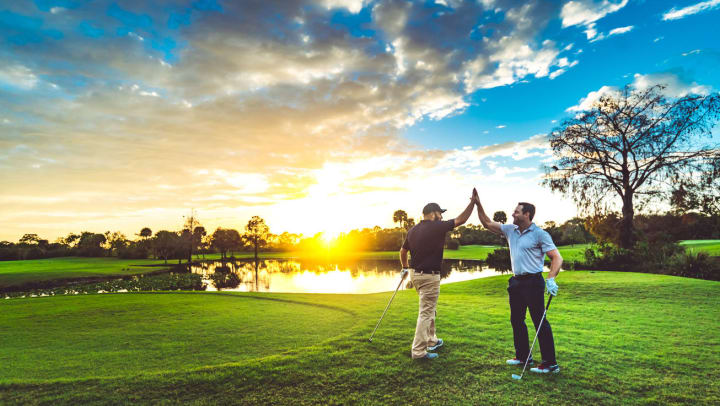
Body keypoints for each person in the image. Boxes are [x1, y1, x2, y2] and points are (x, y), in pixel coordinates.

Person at [472, 189, 562, 373]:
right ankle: (523, 357)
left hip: (533, 282)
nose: (513, 213)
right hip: (516, 282)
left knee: (539, 321)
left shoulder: (540, 234)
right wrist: (478, 203)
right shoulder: (510, 230)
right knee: (516, 320)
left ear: (527, 214)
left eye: (516, 211)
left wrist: (551, 279)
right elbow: (487, 222)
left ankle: (550, 363)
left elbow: (557, 258)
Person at [399, 191, 475, 360]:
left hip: (415, 276)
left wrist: (405, 268)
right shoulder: (436, 226)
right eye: (440, 213)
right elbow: (461, 220)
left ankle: (431, 340)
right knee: (426, 312)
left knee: (429, 308)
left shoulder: (413, 230)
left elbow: (403, 251)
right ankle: (419, 352)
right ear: (433, 213)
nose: (441, 217)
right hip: (429, 276)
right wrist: (473, 203)